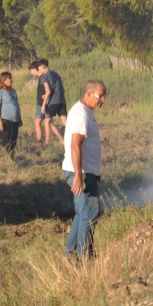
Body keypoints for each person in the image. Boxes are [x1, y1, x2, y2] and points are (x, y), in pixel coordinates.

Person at [62, 80, 107, 258]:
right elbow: (75, 145)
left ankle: (70, 254)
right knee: (90, 214)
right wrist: (79, 175)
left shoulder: (86, 111)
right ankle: (85, 258)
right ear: (89, 93)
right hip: (80, 172)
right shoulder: (81, 113)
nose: (103, 100)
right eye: (100, 95)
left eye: (104, 96)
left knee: (82, 213)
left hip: (85, 171)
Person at [0, 71, 22, 156]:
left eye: (11, 78)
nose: (11, 80)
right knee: (5, 142)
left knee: (13, 141)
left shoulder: (13, 91)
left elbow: (17, 104)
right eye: (9, 78)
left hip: (15, 120)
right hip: (5, 120)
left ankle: (11, 158)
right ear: (3, 80)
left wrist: (20, 118)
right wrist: (0, 121)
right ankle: (4, 158)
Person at [38, 59, 67, 143]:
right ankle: (73, 139)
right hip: (62, 100)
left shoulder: (44, 76)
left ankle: (47, 142)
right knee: (65, 122)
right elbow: (62, 89)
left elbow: (48, 91)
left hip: (53, 102)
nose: (39, 71)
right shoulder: (56, 74)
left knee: (47, 121)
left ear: (43, 67)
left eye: (39, 69)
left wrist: (43, 105)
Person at [29, 60, 46, 144]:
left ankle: (40, 141)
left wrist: (43, 103)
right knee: (48, 122)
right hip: (41, 103)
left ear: (35, 69)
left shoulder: (43, 78)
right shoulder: (41, 78)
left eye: (31, 70)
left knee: (37, 121)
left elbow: (47, 90)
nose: (31, 73)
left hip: (42, 103)